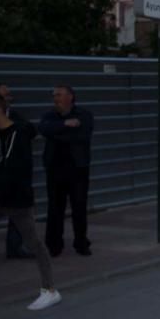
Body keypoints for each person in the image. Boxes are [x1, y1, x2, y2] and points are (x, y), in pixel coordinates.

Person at [0, 93, 60, 310]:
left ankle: (50, 290)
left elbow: (15, 171)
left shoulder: (18, 135)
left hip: (17, 200)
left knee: (35, 244)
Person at [39, 85, 94, 257]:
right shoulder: (49, 115)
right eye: (54, 95)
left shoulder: (83, 115)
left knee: (79, 206)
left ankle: (81, 243)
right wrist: (65, 124)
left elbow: (81, 136)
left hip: (77, 168)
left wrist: (56, 132)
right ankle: (54, 245)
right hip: (55, 168)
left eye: (59, 94)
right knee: (55, 208)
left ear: (70, 97)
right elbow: (43, 129)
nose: (56, 98)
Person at [0, 82, 34, 259]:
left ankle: (15, 248)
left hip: (11, 175)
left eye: (9, 95)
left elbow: (31, 130)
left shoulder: (14, 116)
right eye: (5, 95)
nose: (10, 98)